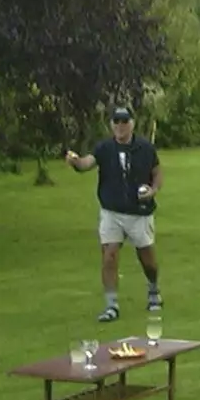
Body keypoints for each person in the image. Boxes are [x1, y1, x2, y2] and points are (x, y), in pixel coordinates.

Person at [66, 106, 163, 322]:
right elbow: (86, 164)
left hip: (139, 213)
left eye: (124, 121)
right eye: (116, 121)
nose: (120, 126)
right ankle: (111, 306)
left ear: (132, 123)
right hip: (112, 211)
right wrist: (75, 162)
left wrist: (153, 191)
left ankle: (153, 289)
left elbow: (157, 173)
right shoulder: (104, 148)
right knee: (109, 255)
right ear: (111, 124)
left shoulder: (145, 148)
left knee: (147, 258)